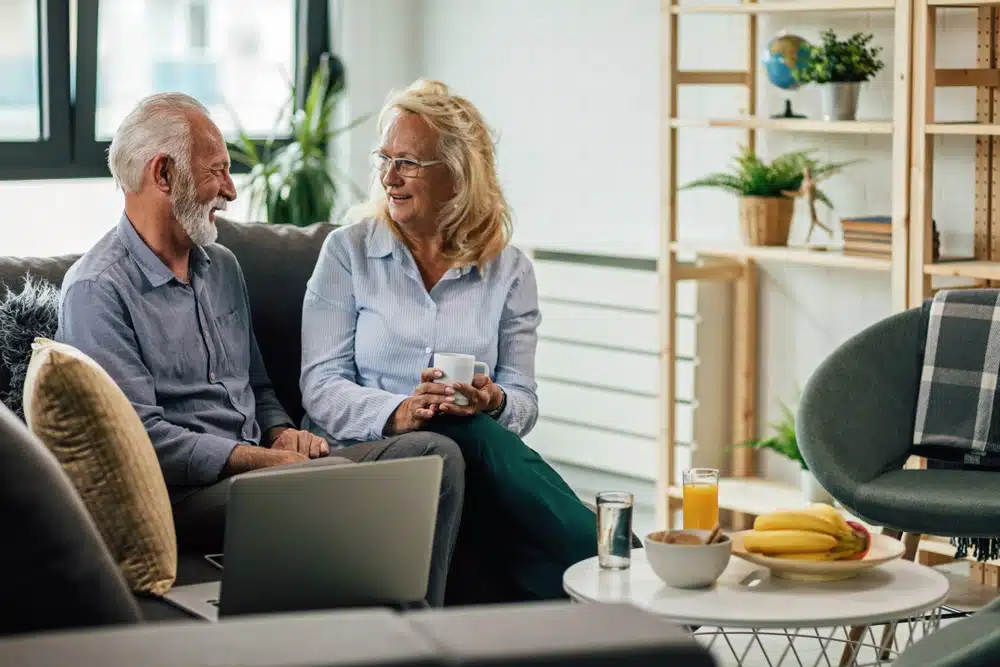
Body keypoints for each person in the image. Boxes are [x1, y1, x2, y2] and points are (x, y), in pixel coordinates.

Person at [54, 92, 463, 607]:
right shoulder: (97, 289)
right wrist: (258, 461)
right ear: (163, 174)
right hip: (186, 494)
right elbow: (142, 439)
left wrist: (281, 431)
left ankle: (423, 629)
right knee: (330, 484)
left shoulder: (221, 266)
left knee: (434, 454)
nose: (229, 190)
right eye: (218, 171)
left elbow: (258, 386)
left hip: (261, 471)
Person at [300, 79, 597, 600]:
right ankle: (610, 560)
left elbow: (523, 401)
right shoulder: (347, 253)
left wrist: (494, 399)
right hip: (371, 453)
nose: (389, 177)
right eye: (384, 158)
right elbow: (320, 386)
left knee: (471, 440)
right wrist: (402, 411)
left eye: (408, 162)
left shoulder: (509, 271)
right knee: (466, 441)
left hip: (469, 463)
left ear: (458, 175)